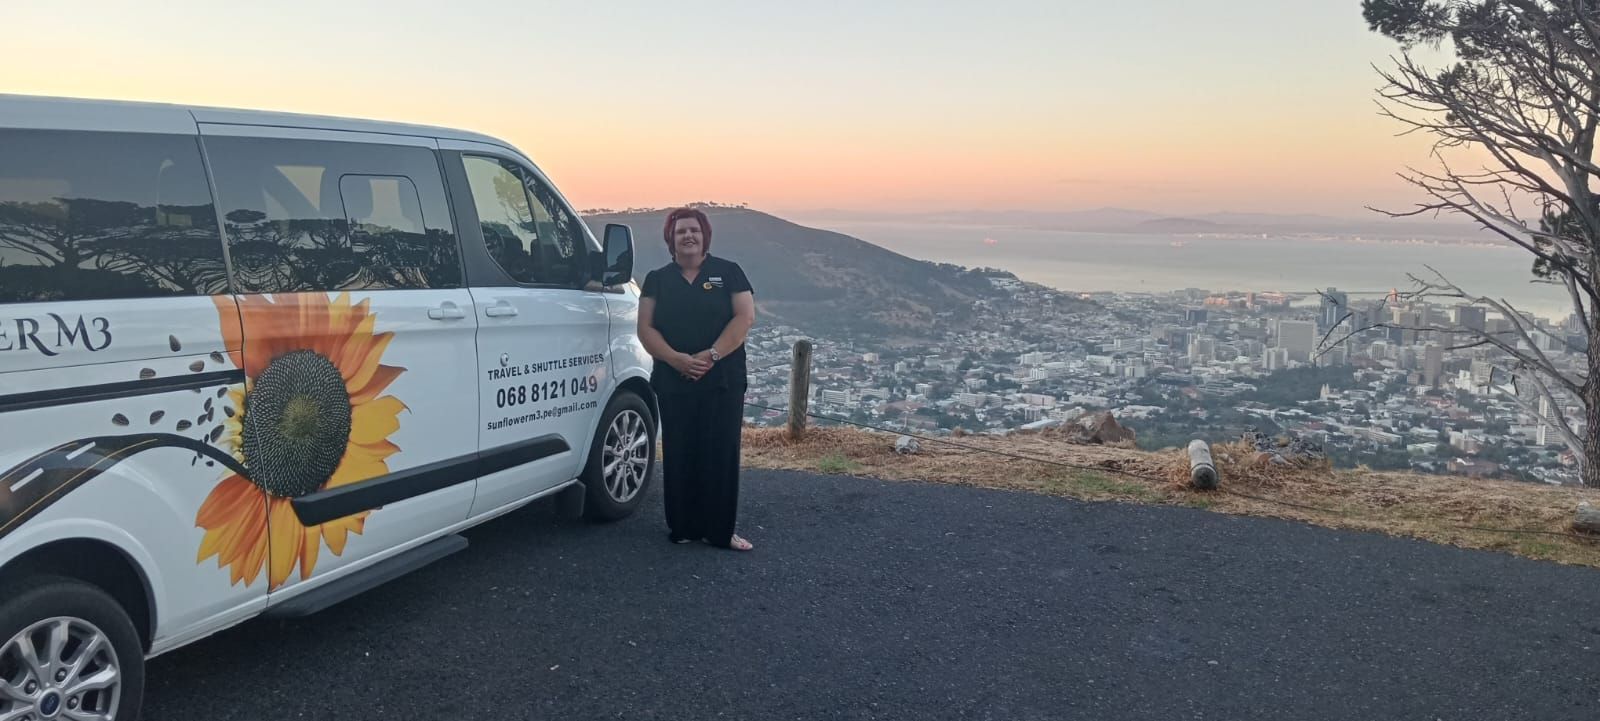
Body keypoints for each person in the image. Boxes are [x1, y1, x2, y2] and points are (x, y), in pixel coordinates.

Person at [638, 207, 757, 551]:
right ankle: (684, 527)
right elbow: (645, 327)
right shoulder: (657, 279)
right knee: (680, 452)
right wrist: (676, 359)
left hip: (722, 380)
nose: (688, 236)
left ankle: (721, 532)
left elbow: (744, 318)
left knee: (720, 453)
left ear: (705, 236)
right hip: (674, 380)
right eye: (680, 232)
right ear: (670, 239)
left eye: (694, 230)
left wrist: (712, 355)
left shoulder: (728, 272)